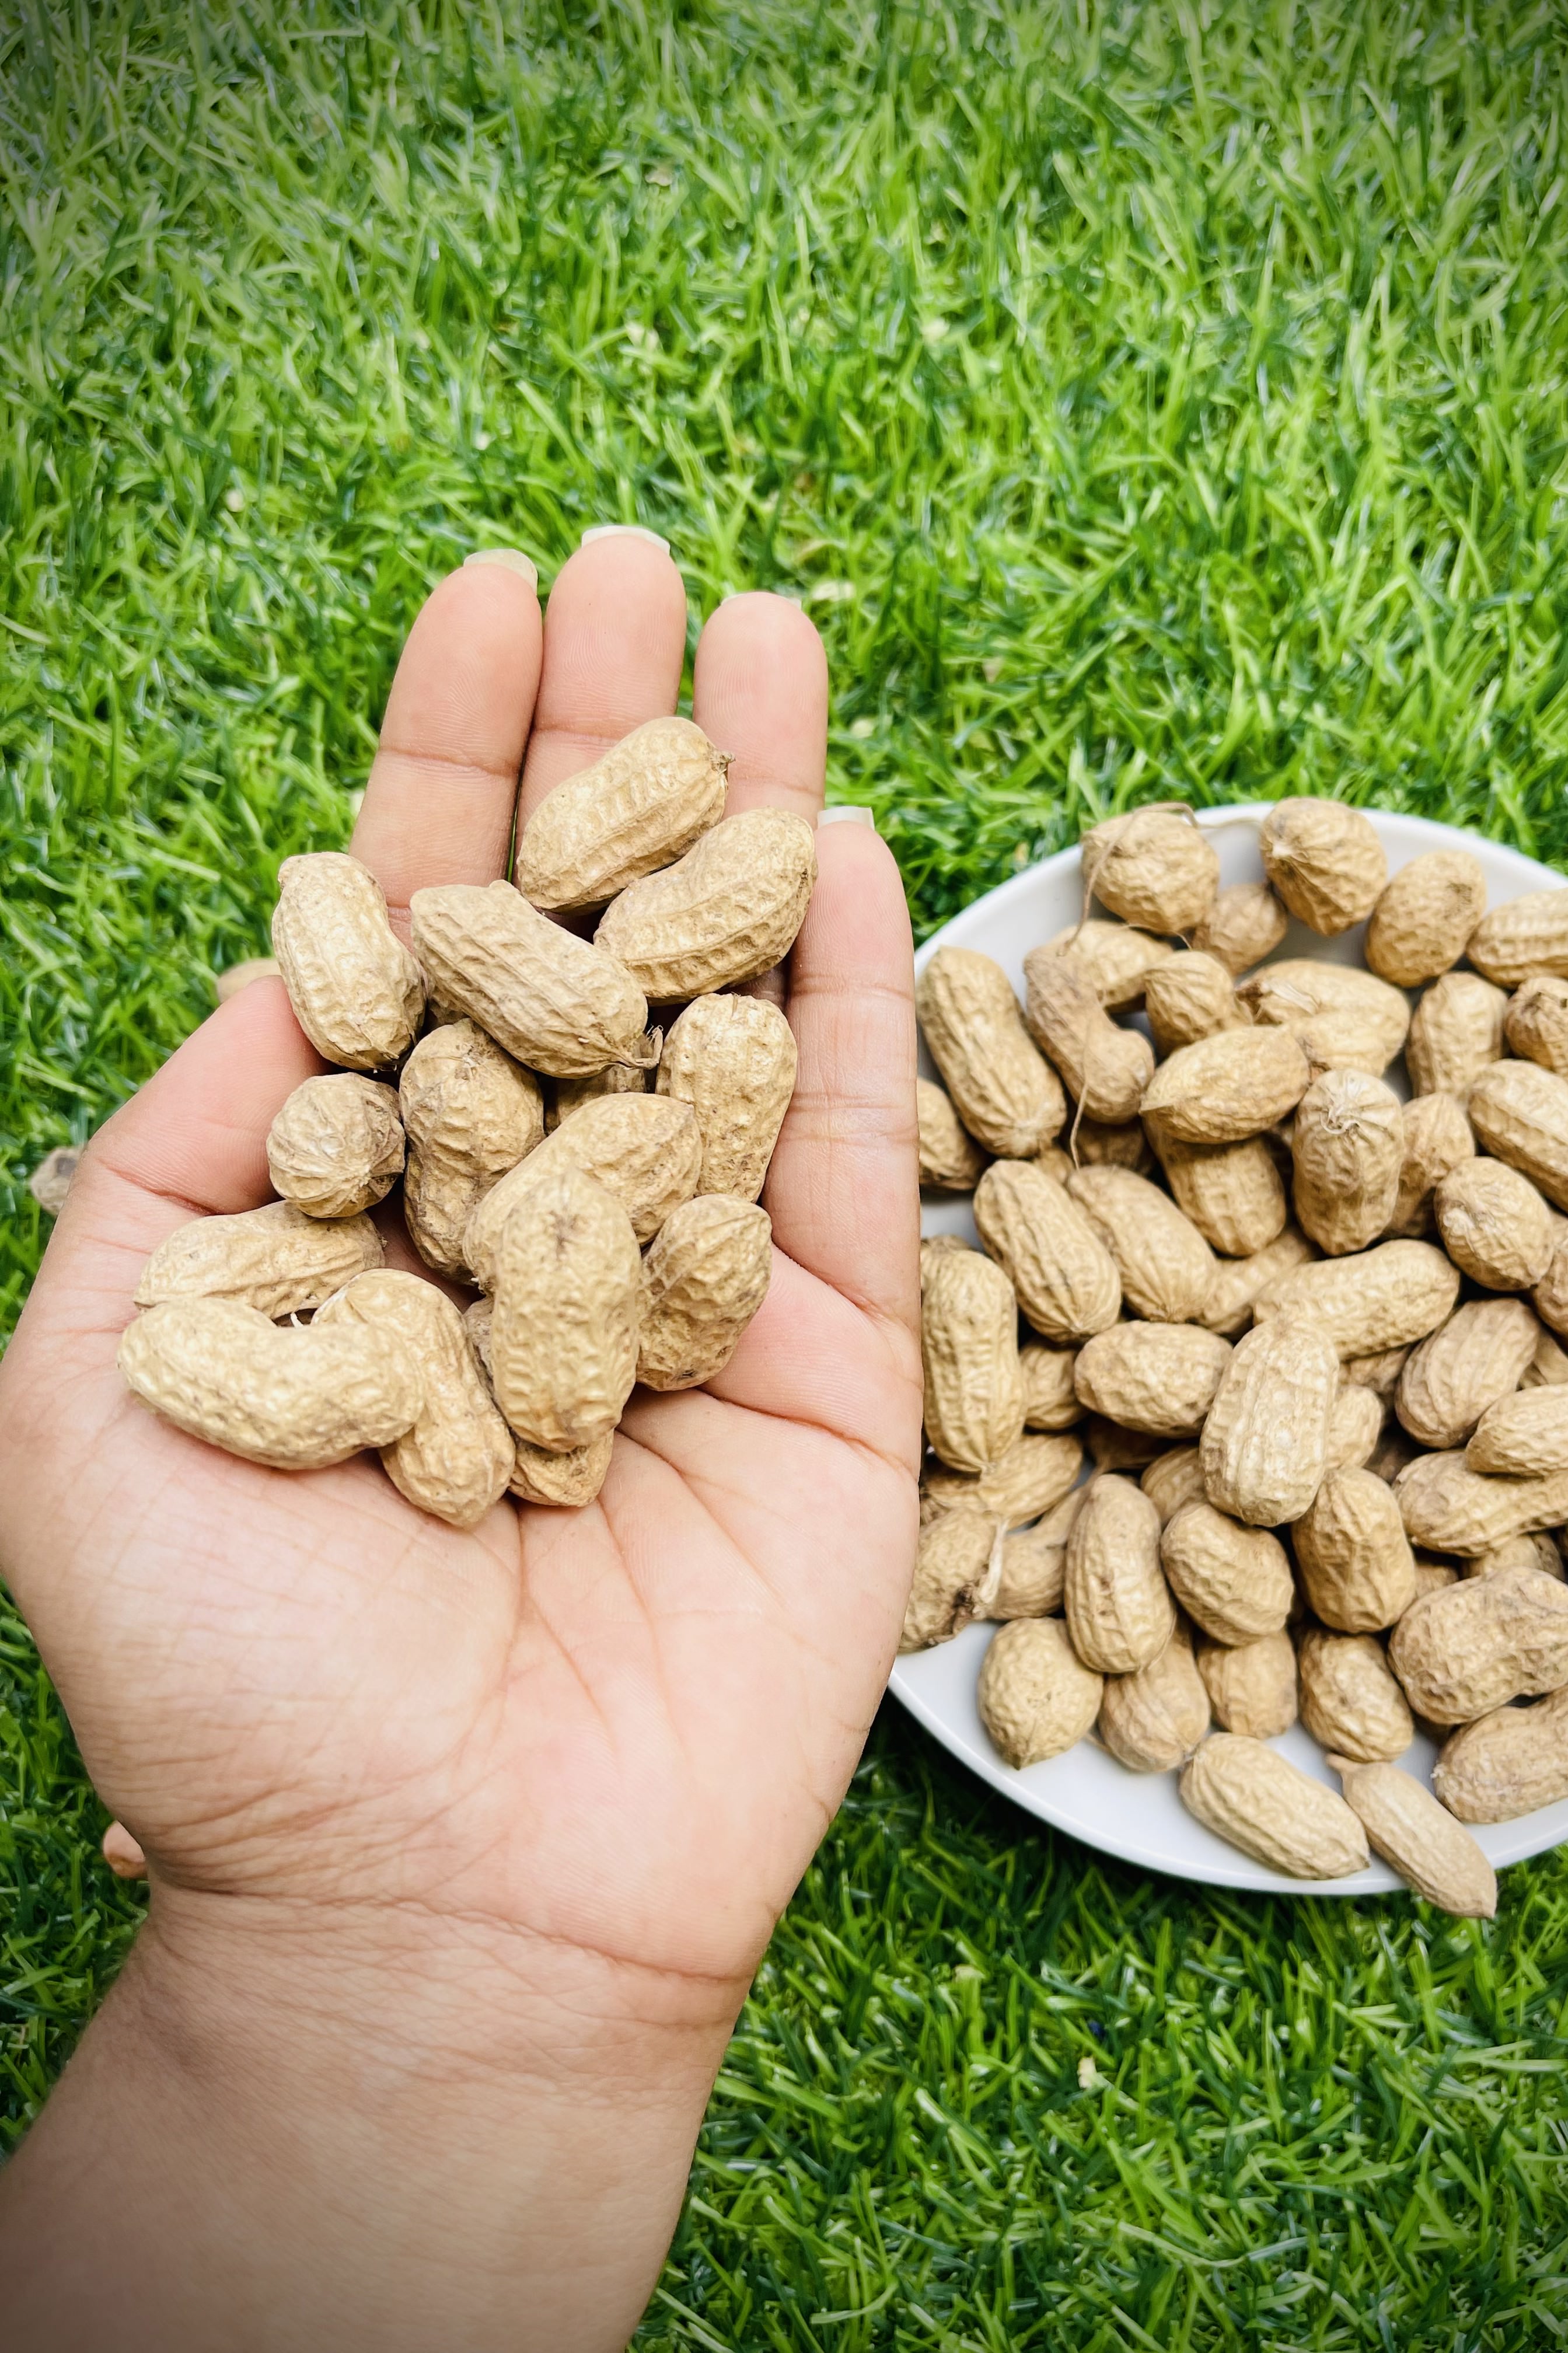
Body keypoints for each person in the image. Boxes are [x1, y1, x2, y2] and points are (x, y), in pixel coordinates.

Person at [0, 531, 924, 2348]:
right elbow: (425, 1156)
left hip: (565, 1250)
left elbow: (565, 1166)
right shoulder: (449, 1190)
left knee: (638, 1138)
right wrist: (385, 1938)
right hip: (515, 1271)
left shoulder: (600, 1159)